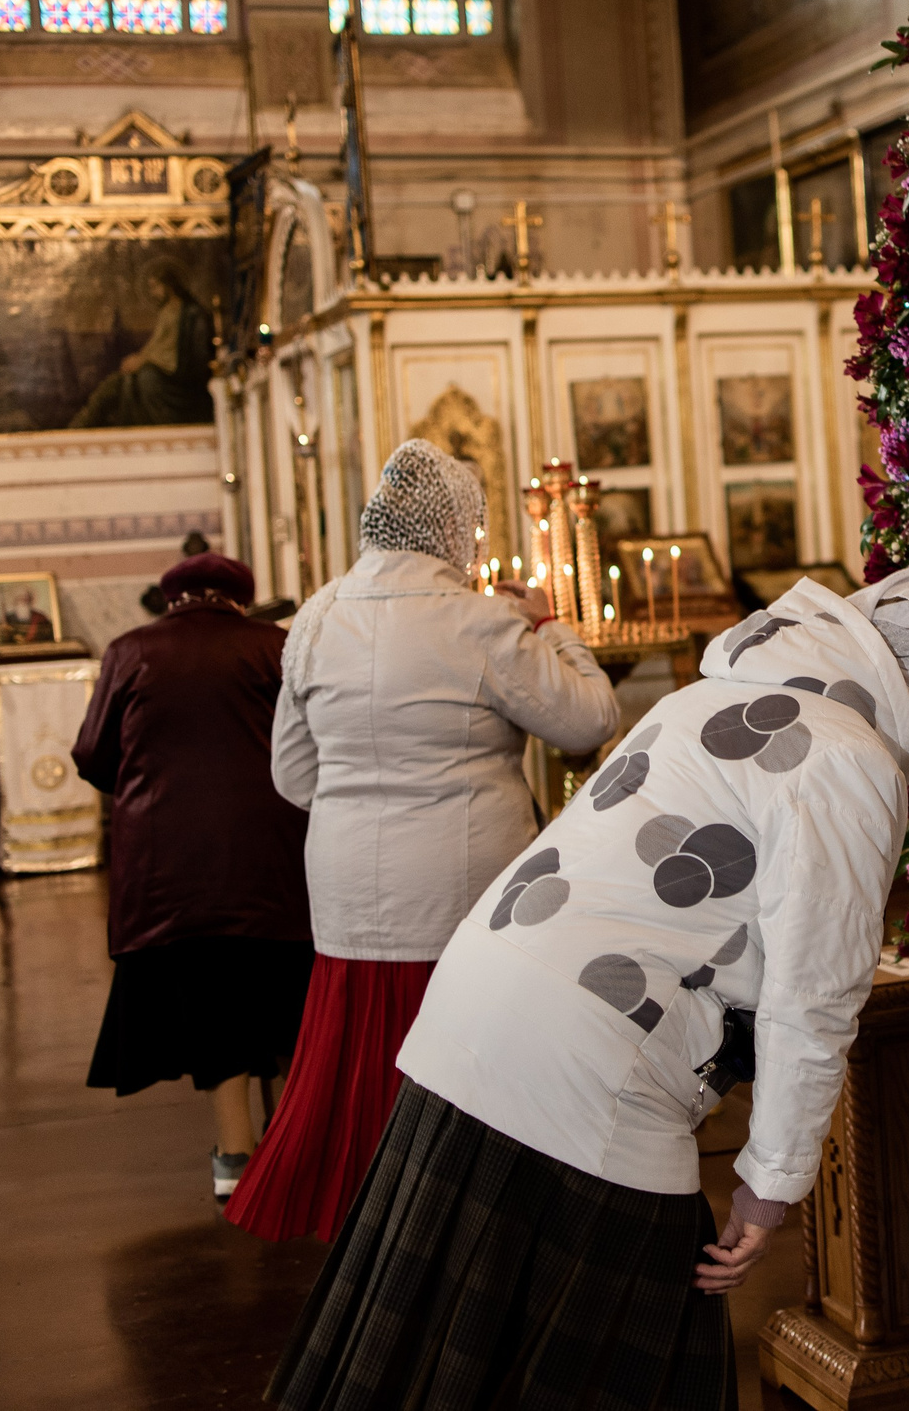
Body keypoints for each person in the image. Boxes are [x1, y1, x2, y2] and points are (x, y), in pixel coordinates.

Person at [267, 565, 909, 1411]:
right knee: (639, 1360)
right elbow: (815, 999)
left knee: (426, 1358)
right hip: (592, 1065)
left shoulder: (708, 694)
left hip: (477, 1008)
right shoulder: (851, 759)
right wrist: (770, 1187)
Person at [226, 440, 621, 1244]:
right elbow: (589, 718)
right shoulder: (481, 622)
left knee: (358, 1062)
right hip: (461, 886)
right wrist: (552, 624)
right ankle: (466, 1221)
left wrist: (358, 796)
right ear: (454, 528)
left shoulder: (315, 617)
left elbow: (292, 776)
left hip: (346, 891)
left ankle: (365, 1220)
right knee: (470, 1064)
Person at [75, 551, 316, 1200]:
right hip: (275, 862)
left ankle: (235, 1156)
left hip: (170, 873)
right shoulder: (277, 647)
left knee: (210, 1003)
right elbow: (315, 743)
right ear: (241, 596)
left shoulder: (131, 650)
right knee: (285, 1000)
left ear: (172, 596)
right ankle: (293, 1149)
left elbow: (93, 754)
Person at [74, 261, 217, 429]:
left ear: (169, 285)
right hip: (162, 365)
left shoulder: (189, 313)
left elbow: (173, 351)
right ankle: (87, 420)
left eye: (155, 287)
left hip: (179, 374)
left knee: (145, 378)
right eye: (150, 288)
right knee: (119, 381)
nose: (152, 293)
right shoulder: (166, 311)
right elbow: (156, 345)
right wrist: (139, 359)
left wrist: (142, 360)